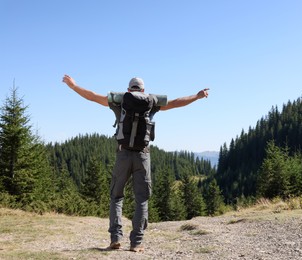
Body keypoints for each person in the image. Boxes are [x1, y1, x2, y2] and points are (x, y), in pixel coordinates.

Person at [62, 74, 209, 252]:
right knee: (141, 200)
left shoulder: (120, 101)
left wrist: (73, 86)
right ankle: (136, 243)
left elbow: (92, 96)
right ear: (143, 90)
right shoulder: (151, 103)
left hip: (123, 154)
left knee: (116, 197)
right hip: (142, 155)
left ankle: (115, 239)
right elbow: (176, 102)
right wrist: (197, 96)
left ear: (128, 89)